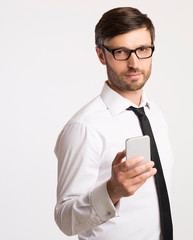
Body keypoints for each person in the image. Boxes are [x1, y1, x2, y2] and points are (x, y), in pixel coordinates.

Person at [54, 7, 174, 240]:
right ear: (101, 55)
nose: (134, 63)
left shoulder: (155, 115)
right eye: (121, 52)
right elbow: (65, 220)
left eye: (142, 50)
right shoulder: (84, 128)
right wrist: (111, 191)